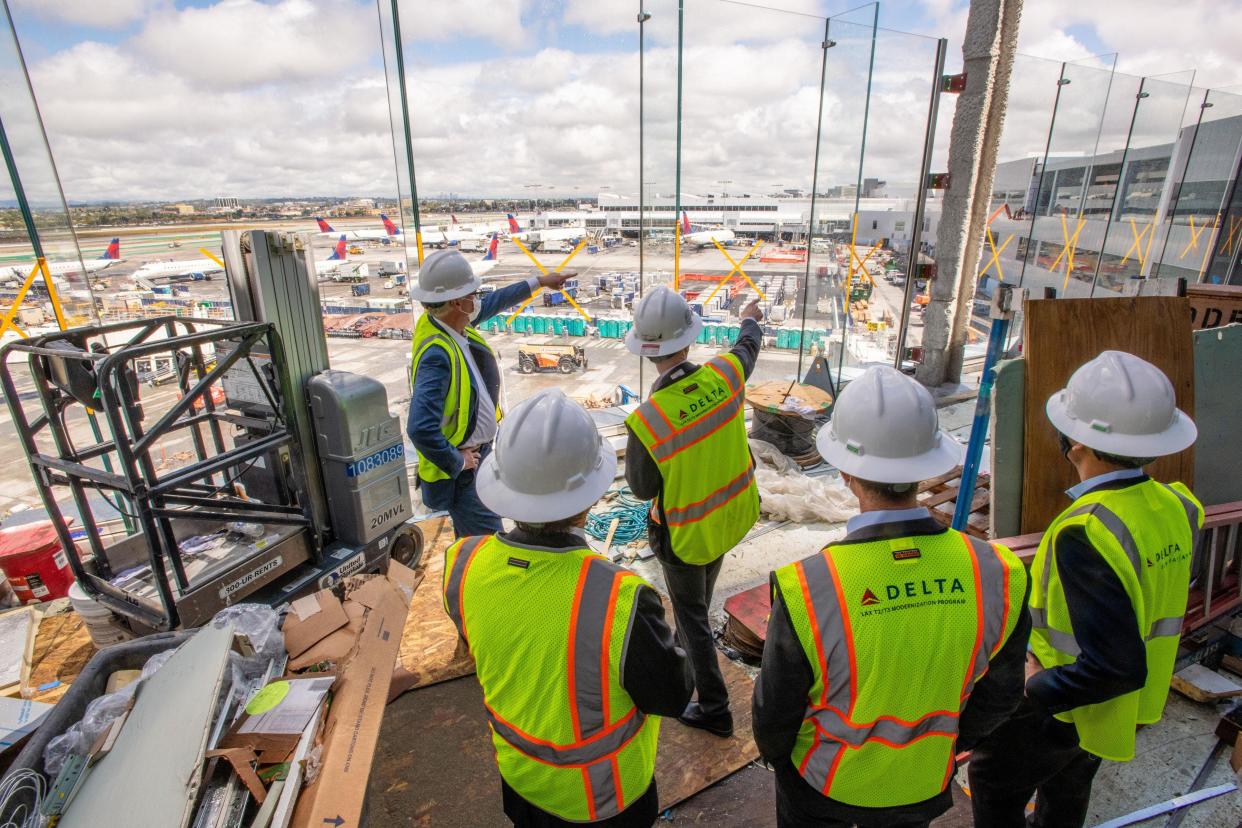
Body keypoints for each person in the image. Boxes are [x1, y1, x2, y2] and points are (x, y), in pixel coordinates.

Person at [753, 365, 1030, 828]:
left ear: (844, 471)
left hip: (824, 786)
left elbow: (774, 715)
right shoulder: (997, 572)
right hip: (921, 785)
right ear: (928, 464)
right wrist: (945, 745)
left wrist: (783, 764)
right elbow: (1001, 696)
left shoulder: (811, 587)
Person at [968, 351, 1202, 827]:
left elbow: (1116, 665)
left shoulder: (1088, 531)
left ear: (1075, 442)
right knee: (1068, 789)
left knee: (994, 783)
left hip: (1060, 706)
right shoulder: (1179, 504)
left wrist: (1038, 685)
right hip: (1115, 711)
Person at [443, 389, 692, 827]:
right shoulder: (620, 599)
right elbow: (673, 695)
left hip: (520, 782)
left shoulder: (463, 563)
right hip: (607, 801)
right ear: (591, 498)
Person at [624, 286, 762, 738]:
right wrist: (749, 317)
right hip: (730, 519)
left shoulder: (651, 420)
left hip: (683, 537)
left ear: (647, 353)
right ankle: (691, 658)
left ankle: (715, 708)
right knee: (697, 606)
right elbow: (748, 347)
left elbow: (642, 488)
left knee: (692, 619)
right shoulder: (725, 376)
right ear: (689, 339)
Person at [408, 249, 573, 537]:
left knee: (477, 537)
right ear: (459, 302)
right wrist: (457, 461)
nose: (479, 299)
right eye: (474, 294)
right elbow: (419, 428)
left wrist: (541, 282)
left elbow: (496, 302)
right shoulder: (437, 354)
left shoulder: (445, 321)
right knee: (484, 540)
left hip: (478, 458)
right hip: (463, 472)